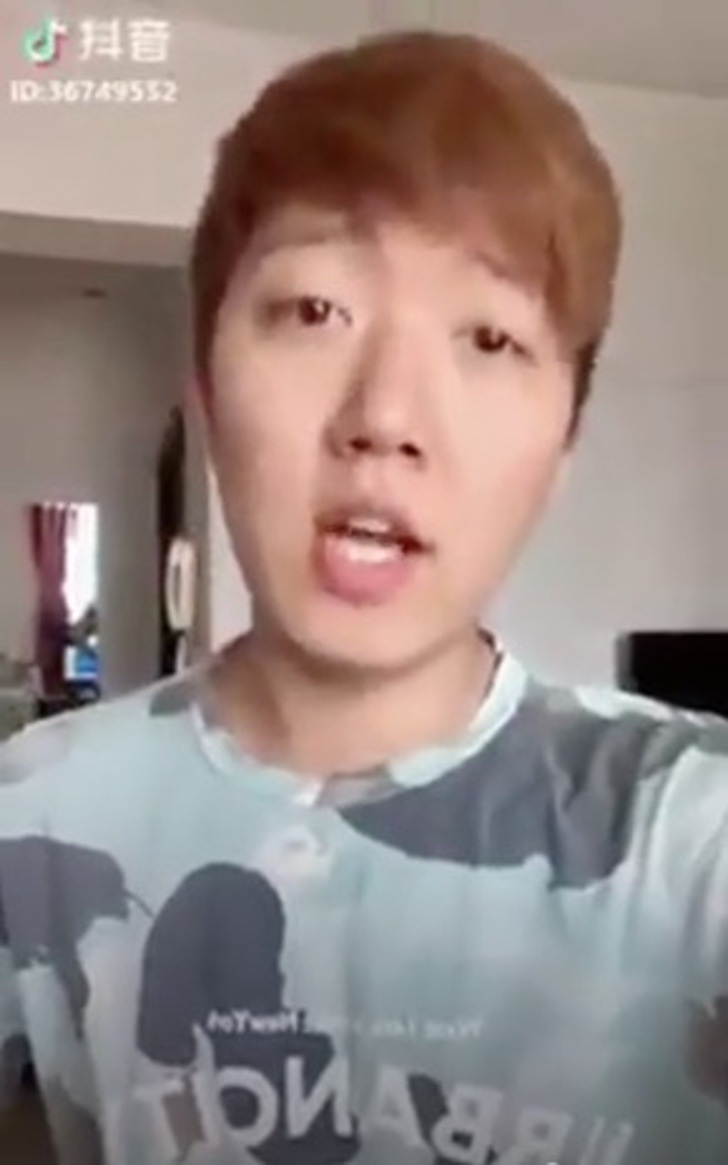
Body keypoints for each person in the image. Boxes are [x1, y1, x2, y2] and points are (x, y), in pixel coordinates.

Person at [0, 28, 726, 1165]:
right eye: (314, 312)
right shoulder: (34, 812)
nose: (385, 416)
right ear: (206, 393)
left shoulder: (693, 827)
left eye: (489, 337)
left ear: (561, 448)